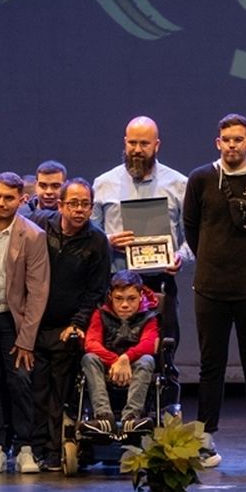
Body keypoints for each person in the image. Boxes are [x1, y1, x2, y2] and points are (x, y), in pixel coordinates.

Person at [183, 113, 246, 469]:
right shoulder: (200, 179)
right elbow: (192, 229)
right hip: (209, 289)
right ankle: (205, 443)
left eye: (238, 140)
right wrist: (213, 264)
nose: (232, 145)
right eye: (226, 140)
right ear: (218, 143)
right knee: (211, 366)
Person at [0, 173, 50, 473]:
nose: (1, 203)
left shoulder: (33, 235)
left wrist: (26, 338)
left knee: (19, 381)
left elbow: (38, 291)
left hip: (16, 320)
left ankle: (25, 447)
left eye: (8, 198)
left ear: (21, 200)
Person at [25, 177, 110, 472]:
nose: (79, 210)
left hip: (67, 328)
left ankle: (52, 449)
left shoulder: (97, 241)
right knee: (34, 387)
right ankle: (31, 447)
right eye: (73, 203)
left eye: (85, 204)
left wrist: (77, 323)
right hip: (34, 323)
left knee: (59, 393)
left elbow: (96, 290)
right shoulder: (40, 224)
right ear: (60, 205)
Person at [92, 116, 191, 345]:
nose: (137, 150)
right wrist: (108, 241)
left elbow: (193, 238)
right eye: (132, 143)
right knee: (113, 351)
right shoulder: (103, 183)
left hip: (160, 282)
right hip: (114, 284)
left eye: (144, 144)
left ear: (157, 145)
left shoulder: (179, 184)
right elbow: (90, 236)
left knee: (163, 350)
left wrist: (180, 257)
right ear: (125, 142)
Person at [81, 270, 160, 433]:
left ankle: (131, 418)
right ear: (110, 296)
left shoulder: (149, 317)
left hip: (135, 366)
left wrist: (125, 359)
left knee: (147, 360)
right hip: (107, 365)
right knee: (89, 358)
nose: (124, 305)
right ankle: (103, 417)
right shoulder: (101, 313)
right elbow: (91, 343)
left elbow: (149, 344)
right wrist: (115, 362)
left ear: (140, 296)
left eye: (131, 299)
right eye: (119, 299)